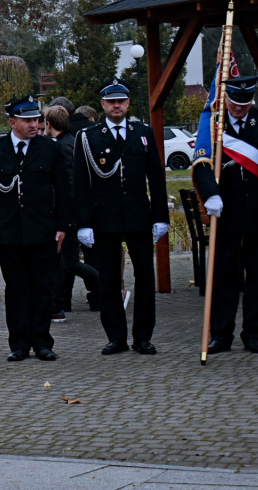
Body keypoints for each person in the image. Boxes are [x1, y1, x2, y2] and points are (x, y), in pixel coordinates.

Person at [74, 78, 169, 356]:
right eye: (111, 101)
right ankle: (116, 336)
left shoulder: (143, 133)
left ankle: (143, 337)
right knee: (109, 280)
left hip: (139, 216)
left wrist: (161, 216)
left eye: (122, 101)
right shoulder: (89, 137)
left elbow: (156, 177)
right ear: (103, 104)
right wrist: (84, 223)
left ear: (128, 103)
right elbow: (81, 183)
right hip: (105, 219)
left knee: (145, 277)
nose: (117, 106)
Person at [0, 95, 69, 362]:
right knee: (15, 288)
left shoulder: (49, 148)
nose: (34, 125)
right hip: (8, 231)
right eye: (28, 120)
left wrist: (63, 226)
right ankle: (18, 343)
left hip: (42, 229)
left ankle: (42, 342)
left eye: (37, 120)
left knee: (42, 287)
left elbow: (63, 190)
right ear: (12, 122)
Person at [194, 75, 258, 354]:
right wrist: (210, 193)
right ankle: (220, 333)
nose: (238, 108)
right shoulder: (213, 123)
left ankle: (253, 333)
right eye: (234, 101)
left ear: (251, 99)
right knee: (223, 276)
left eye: (244, 102)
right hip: (225, 213)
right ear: (225, 97)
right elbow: (202, 161)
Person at [44, 105, 99, 322]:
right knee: (65, 262)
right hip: (70, 214)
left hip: (68, 216)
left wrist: (68, 215)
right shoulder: (69, 142)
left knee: (70, 263)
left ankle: (106, 287)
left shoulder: (63, 147)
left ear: (49, 124)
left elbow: (69, 183)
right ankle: (60, 303)